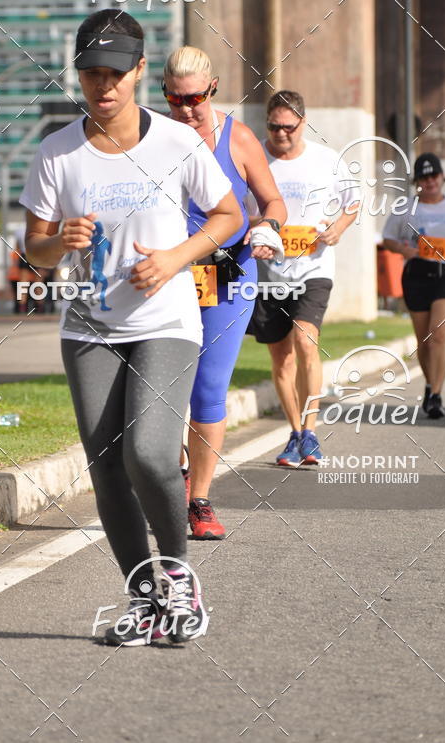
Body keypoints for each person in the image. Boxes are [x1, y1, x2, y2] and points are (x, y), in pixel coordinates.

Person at [19, 9, 243, 646]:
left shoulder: (176, 142)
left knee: (148, 451)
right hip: (89, 327)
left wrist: (176, 257)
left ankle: (178, 572)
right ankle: (145, 601)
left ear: (141, 70)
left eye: (116, 73)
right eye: (91, 73)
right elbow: (31, 247)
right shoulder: (56, 151)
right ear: (80, 77)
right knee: (108, 466)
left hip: (167, 320)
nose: (104, 85)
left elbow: (228, 214)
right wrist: (56, 242)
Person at [162, 47, 286, 540]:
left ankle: (200, 500)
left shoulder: (238, 138)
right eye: (174, 99)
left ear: (212, 89)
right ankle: (170, 478)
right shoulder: (154, 137)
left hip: (229, 278)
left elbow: (271, 198)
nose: (186, 109)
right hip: (167, 278)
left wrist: (269, 227)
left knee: (208, 392)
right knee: (160, 394)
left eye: (194, 98)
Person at [246, 89, 359, 467]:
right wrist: (256, 228)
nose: (281, 135)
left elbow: (352, 203)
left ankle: (310, 431)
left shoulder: (326, 160)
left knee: (305, 341)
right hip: (269, 272)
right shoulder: (254, 157)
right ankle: (294, 433)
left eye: (289, 128)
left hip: (314, 268)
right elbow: (235, 209)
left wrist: (338, 230)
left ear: (303, 123)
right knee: (280, 357)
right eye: (274, 127)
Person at [382, 153, 445, 419]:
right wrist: (404, 249)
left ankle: (436, 394)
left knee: (440, 333)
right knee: (424, 340)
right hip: (416, 273)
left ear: (442, 177)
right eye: (424, 178)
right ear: (418, 181)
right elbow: (388, 237)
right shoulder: (405, 208)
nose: (430, 182)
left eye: (434, 176)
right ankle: (429, 384)